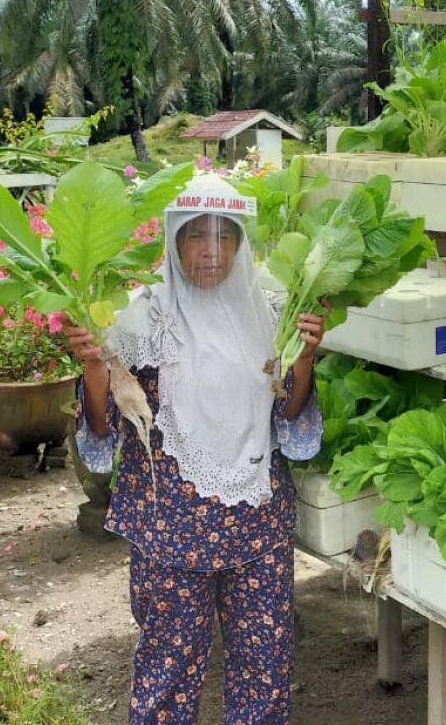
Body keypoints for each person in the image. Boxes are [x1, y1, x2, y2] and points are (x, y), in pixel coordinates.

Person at [65, 174, 324, 725]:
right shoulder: (141, 316)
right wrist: (93, 365)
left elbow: (290, 422)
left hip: (257, 523)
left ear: (240, 243)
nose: (211, 251)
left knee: (265, 665)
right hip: (172, 527)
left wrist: (302, 359)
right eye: (196, 236)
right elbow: (101, 428)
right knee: (169, 668)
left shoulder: (269, 313)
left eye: (225, 237)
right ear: (173, 240)